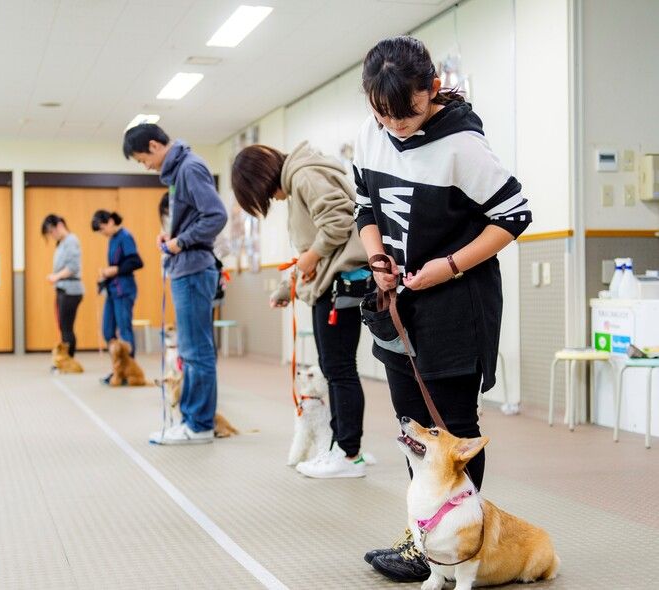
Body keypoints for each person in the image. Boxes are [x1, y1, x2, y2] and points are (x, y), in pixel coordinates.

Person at [353, 36, 532, 582]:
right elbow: (365, 206)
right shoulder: (371, 134)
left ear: (431, 89)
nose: (397, 125)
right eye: (384, 114)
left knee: (452, 428)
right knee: (412, 428)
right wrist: (377, 255)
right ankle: (424, 538)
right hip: (400, 305)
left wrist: (450, 265)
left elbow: (514, 215)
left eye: (407, 112)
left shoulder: (463, 145)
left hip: (456, 304)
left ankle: (461, 543)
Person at [232, 142, 372, 478]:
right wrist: (287, 286)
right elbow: (312, 248)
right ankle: (342, 447)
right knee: (334, 367)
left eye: (262, 195)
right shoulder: (302, 176)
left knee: (338, 369)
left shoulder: (305, 175)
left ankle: (349, 453)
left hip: (339, 284)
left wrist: (310, 257)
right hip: (330, 283)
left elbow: (337, 222)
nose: (272, 201)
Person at [122, 124, 227, 445]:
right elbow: (197, 218)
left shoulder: (190, 168)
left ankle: (199, 425)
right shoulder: (179, 171)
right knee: (191, 350)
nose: (146, 166)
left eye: (143, 159)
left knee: (196, 351)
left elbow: (216, 216)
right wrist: (172, 236)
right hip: (186, 268)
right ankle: (193, 420)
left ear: (155, 146)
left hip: (194, 269)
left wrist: (182, 241)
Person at [91, 209, 143, 383]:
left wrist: (116, 269)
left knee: (125, 331)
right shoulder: (112, 239)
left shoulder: (125, 236)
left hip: (124, 289)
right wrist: (104, 277)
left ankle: (129, 370)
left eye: (102, 227)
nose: (102, 232)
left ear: (111, 221)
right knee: (107, 330)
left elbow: (135, 261)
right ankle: (118, 369)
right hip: (113, 290)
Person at [41, 214, 84, 358]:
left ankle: (68, 359)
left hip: (71, 290)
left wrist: (56, 276)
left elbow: (73, 267)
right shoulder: (62, 243)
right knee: (63, 327)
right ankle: (65, 358)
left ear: (59, 226)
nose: (52, 236)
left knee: (66, 328)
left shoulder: (71, 241)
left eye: (51, 232)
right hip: (63, 289)